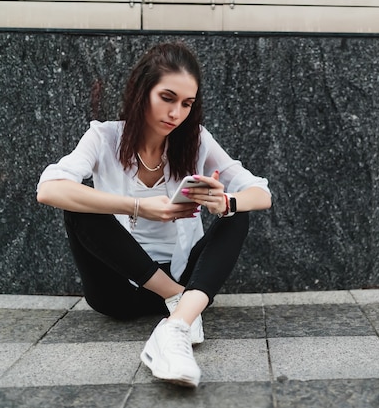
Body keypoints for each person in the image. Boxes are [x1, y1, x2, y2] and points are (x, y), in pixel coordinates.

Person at [36, 42, 272, 388]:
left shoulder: (197, 142)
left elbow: (261, 192)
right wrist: (137, 206)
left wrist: (226, 203)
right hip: (119, 287)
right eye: (168, 97)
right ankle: (175, 299)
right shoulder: (103, 137)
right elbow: (48, 189)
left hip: (187, 276)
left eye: (187, 104)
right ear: (142, 91)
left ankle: (176, 326)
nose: (176, 112)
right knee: (78, 207)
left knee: (238, 212)